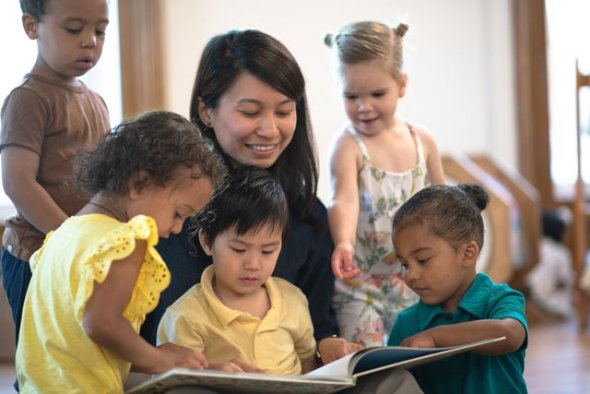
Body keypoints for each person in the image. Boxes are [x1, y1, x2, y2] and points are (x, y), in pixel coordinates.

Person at [141, 29, 361, 364]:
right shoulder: (162, 216)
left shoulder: (308, 217)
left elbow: (318, 327)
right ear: (206, 111)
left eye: (284, 112)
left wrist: (330, 345)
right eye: (250, 112)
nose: (270, 130)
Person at [16, 111, 226, 392]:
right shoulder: (125, 240)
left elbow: (81, 344)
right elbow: (101, 324)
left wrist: (172, 359)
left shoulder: (62, 235)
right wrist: (159, 359)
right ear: (139, 184)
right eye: (178, 213)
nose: (177, 228)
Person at [324, 20, 445, 346]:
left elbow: (445, 207)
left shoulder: (423, 142)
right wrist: (344, 242)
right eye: (351, 96)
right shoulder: (348, 145)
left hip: (418, 283)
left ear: (402, 85)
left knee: (424, 359)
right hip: (362, 288)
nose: (364, 107)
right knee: (370, 363)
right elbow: (344, 200)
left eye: (378, 94)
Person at [0, 0, 111, 353]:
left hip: (80, 255)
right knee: (40, 356)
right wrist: (68, 238)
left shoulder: (96, 102)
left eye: (100, 30)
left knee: (76, 355)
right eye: (74, 29)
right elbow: (18, 182)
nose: (90, 41)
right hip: (37, 252)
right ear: (32, 27)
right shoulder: (28, 98)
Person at [159, 166, 317, 375]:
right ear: (207, 241)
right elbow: (177, 382)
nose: (253, 264)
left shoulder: (293, 300)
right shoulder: (186, 317)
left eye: (268, 251)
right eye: (239, 249)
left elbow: (309, 368)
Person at [388, 183, 528, 393]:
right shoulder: (407, 323)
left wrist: (436, 337)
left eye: (423, 260)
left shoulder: (499, 299)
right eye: (405, 264)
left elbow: (510, 334)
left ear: (467, 254)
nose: (411, 275)